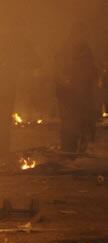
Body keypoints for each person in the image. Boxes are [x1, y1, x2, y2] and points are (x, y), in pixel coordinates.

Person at [0, 28, 40, 158]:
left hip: (4, 82)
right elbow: (32, 60)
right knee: (4, 112)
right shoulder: (13, 43)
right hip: (2, 83)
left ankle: (0, 146)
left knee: (5, 113)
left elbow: (31, 61)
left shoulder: (6, 43)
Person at [54, 22, 99, 153]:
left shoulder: (83, 48)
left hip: (80, 92)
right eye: (82, 32)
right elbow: (61, 70)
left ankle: (77, 151)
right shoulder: (68, 48)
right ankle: (70, 152)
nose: (84, 35)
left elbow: (89, 68)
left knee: (81, 122)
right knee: (71, 122)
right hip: (72, 93)